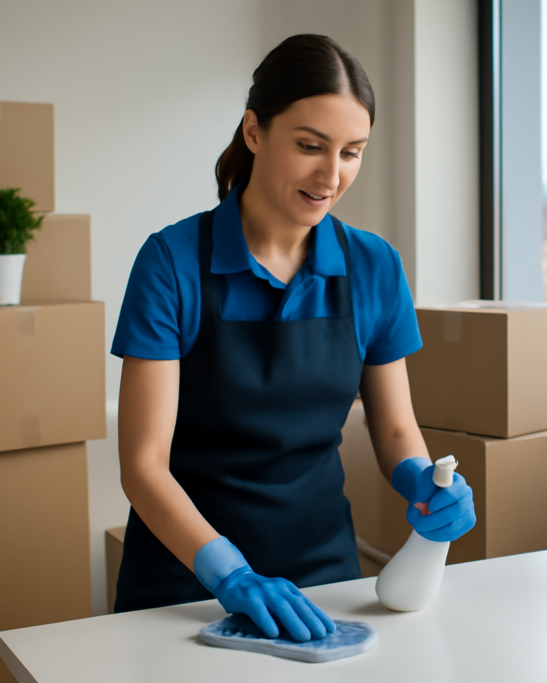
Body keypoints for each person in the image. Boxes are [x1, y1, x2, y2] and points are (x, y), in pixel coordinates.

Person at [110, 34, 476, 642]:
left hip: (324, 582)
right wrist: (230, 575)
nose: (330, 176)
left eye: (352, 152)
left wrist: (422, 479)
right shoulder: (171, 262)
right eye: (310, 146)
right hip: (184, 585)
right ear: (254, 131)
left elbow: (391, 428)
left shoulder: (375, 266)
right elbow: (143, 465)